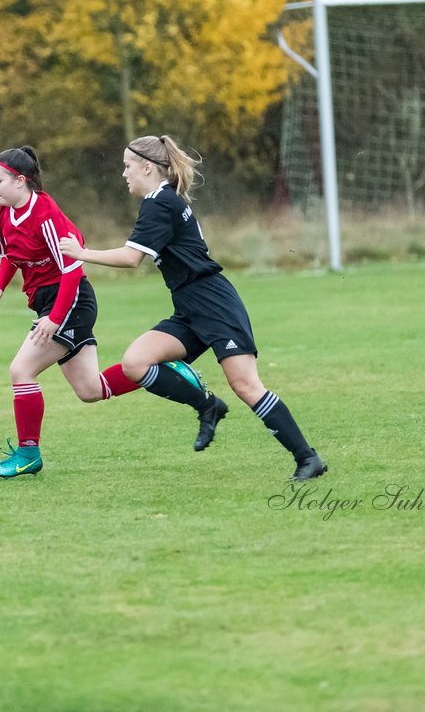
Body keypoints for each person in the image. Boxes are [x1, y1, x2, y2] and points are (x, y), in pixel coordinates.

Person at [58, 134, 327, 481]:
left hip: (214, 304)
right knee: (134, 362)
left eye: (127, 166)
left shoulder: (160, 203)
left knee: (245, 385)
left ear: (146, 167)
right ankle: (207, 405)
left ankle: (308, 459)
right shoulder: (162, 200)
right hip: (189, 307)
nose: (124, 174)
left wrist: (82, 253)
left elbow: (131, 258)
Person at [0, 146, 214, 478]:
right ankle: (166, 368)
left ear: (20, 181)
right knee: (91, 390)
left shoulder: (45, 214)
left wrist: (55, 318)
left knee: (21, 370)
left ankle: (27, 453)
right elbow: (10, 255)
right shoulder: (2, 214)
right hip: (50, 303)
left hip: (70, 300)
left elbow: (72, 269)